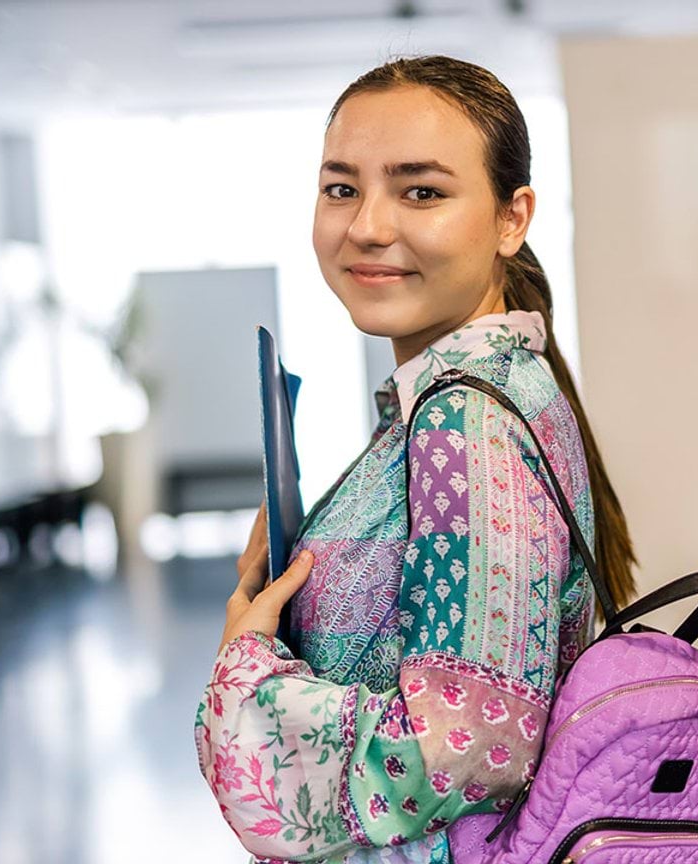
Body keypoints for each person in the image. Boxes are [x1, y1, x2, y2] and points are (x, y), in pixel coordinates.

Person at [195, 55, 636, 863]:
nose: (367, 226)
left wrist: (248, 670)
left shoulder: (466, 418)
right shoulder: (472, 391)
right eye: (341, 188)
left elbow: (465, 748)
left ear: (511, 218)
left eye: (421, 192)